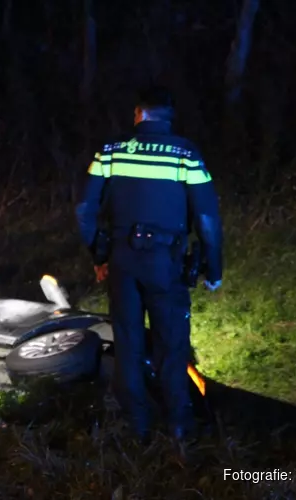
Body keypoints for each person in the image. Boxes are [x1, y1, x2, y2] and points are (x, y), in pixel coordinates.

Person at [75, 85, 223, 443]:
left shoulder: (109, 150)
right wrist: (214, 269)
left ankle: (136, 428)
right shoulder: (185, 153)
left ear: (138, 114)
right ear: (170, 118)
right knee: (171, 345)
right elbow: (206, 216)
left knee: (128, 342)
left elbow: (85, 210)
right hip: (166, 263)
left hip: (122, 261)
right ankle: (178, 428)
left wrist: (99, 255)